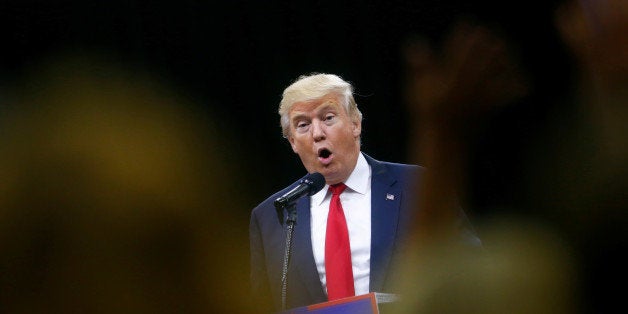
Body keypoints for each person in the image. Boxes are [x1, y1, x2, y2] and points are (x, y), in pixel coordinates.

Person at [249, 73, 481, 312]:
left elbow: (471, 269)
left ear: (355, 124)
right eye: (303, 125)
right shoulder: (271, 216)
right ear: (293, 142)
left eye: (328, 118)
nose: (317, 133)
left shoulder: (417, 185)